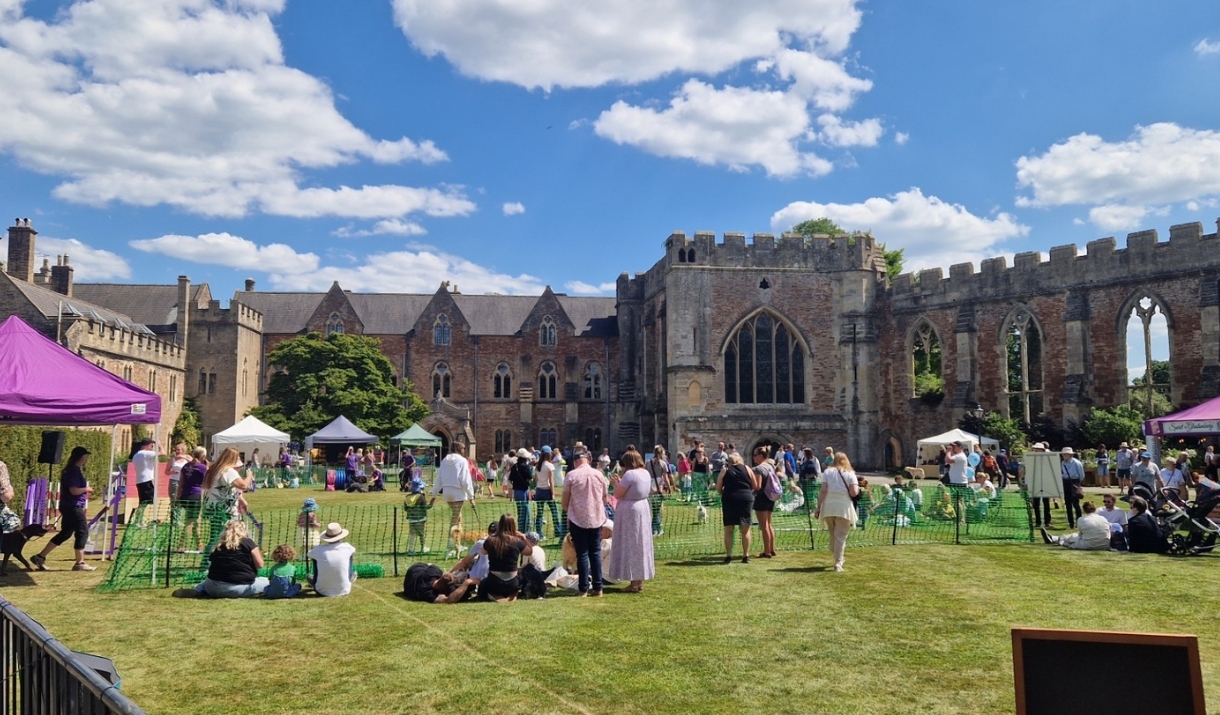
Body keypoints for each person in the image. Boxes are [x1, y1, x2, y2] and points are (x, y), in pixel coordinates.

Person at [31, 446, 94, 571]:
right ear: (81, 457)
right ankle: (79, 563)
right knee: (82, 532)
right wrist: (86, 489)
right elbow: (74, 490)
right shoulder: (73, 471)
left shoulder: (71, 470)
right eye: (86, 456)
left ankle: (40, 556)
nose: (86, 458)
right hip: (73, 506)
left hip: (68, 505)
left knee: (65, 533)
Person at [562, 449, 609, 597]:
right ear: (588, 460)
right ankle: (598, 588)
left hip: (578, 519)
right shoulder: (599, 475)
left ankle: (583, 589)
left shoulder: (571, 475)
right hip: (596, 518)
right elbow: (605, 499)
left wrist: (572, 511)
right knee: (595, 553)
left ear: (575, 462)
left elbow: (564, 501)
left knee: (582, 553)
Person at [607, 449, 655, 593]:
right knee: (641, 544)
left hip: (630, 510)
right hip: (643, 508)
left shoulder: (629, 474)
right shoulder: (645, 472)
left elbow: (617, 494)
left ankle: (634, 583)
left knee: (631, 544)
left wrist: (616, 484)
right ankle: (638, 581)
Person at [183, 520, 269, 598]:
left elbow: (211, 561)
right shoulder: (248, 542)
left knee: (205, 583)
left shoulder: (219, 545)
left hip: (212, 587)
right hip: (238, 587)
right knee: (266, 581)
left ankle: (197, 590)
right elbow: (260, 564)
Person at [201, 448, 250, 567]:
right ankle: (207, 563)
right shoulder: (228, 471)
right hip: (224, 510)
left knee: (216, 535)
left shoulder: (213, 469)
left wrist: (241, 499)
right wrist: (249, 475)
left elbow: (227, 490)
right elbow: (243, 485)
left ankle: (211, 562)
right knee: (226, 536)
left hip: (213, 508)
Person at [816, 452, 860, 572]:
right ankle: (838, 562)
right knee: (840, 536)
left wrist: (818, 507)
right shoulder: (850, 473)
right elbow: (854, 492)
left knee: (833, 534)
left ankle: (837, 556)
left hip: (829, 506)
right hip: (843, 506)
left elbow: (823, 491)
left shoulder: (827, 472)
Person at [479, 514, 532, 602]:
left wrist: (491, 537)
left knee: (484, 583)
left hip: (494, 583)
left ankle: (495, 596)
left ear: (500, 525)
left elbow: (482, 552)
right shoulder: (517, 541)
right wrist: (523, 537)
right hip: (513, 583)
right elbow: (530, 551)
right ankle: (513, 594)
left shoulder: (491, 540)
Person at [717, 453, 759, 563]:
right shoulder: (747, 469)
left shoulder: (725, 470)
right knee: (745, 529)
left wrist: (725, 493)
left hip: (729, 498)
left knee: (729, 529)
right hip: (745, 498)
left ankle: (729, 555)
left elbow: (718, 488)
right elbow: (755, 485)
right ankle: (745, 555)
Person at [430, 442, 475, 534]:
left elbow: (439, 478)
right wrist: (471, 497)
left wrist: (434, 494)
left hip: (447, 492)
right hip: (458, 492)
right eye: (463, 448)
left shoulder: (444, 460)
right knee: (455, 517)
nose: (464, 450)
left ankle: (457, 542)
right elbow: (465, 480)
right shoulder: (462, 461)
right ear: (459, 449)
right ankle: (451, 543)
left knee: (458, 516)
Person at [308, 522, 357, 597]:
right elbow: (353, 550)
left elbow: (309, 554)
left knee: (314, 561)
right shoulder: (347, 547)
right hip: (344, 590)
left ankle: (318, 579)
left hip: (321, 591)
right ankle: (348, 577)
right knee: (350, 556)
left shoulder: (319, 549)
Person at [1041, 501, 1111, 550]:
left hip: (1088, 545)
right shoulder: (1103, 518)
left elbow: (1080, 534)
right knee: (1074, 537)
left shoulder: (1081, 519)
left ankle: (1057, 540)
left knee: (1073, 537)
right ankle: (1053, 538)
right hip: (1105, 544)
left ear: (1084, 510)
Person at [177, 446, 208, 550]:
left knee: (194, 520)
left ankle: (199, 544)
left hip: (185, 495)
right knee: (190, 521)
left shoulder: (185, 466)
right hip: (195, 496)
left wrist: (178, 496)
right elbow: (208, 481)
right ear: (203, 456)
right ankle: (181, 545)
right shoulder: (202, 467)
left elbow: (180, 482)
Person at [750, 446, 779, 558]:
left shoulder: (758, 469)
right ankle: (772, 549)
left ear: (761, 456)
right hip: (771, 497)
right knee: (769, 524)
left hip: (761, 497)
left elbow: (757, 486)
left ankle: (766, 551)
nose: (754, 457)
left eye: (755, 455)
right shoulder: (770, 466)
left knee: (764, 526)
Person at [402, 562, 477, 604]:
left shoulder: (433, 571)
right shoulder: (427, 592)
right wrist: (467, 582)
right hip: (415, 572)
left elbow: (432, 565)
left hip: (416, 569)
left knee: (430, 564)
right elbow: (448, 600)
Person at [533, 448, 562, 539]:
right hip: (547, 490)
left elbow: (536, 479)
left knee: (540, 513)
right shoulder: (549, 466)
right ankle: (557, 531)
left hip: (539, 490)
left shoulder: (538, 465)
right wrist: (553, 493)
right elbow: (551, 480)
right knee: (554, 512)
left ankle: (539, 533)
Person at [645, 445, 672, 536]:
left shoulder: (648, 463)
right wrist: (669, 488)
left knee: (653, 509)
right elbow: (666, 477)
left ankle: (654, 528)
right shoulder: (663, 464)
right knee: (657, 509)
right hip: (659, 487)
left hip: (649, 487)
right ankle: (656, 528)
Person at [403, 477, 432, 554]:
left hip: (411, 519)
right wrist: (432, 502)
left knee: (412, 534)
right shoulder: (421, 497)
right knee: (421, 534)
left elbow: (405, 509)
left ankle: (411, 549)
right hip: (420, 519)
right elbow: (426, 507)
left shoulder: (407, 497)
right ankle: (423, 548)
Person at [508, 448, 534, 529]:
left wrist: (516, 484)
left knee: (519, 510)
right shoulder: (525, 467)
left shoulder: (514, 467)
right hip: (524, 490)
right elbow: (530, 478)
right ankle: (525, 528)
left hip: (516, 490)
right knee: (525, 510)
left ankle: (520, 527)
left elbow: (510, 479)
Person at [1060, 447, 1085, 529]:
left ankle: (1079, 522)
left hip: (1074, 482)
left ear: (1070, 455)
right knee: (1068, 504)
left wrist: (1077, 484)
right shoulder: (1062, 463)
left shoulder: (1077, 463)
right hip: (1066, 482)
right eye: (1063, 454)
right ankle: (1071, 523)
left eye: (1065, 454)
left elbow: (1081, 475)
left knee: (1076, 503)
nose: (1064, 456)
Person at [131, 438, 158, 506]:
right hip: (147, 480)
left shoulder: (136, 455)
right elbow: (163, 453)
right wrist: (159, 445)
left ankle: (138, 515)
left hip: (140, 481)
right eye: (151, 446)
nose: (152, 448)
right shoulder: (145, 453)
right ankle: (138, 515)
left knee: (143, 503)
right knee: (149, 502)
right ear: (147, 446)